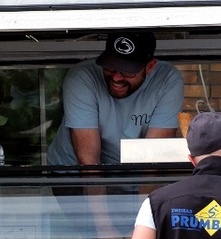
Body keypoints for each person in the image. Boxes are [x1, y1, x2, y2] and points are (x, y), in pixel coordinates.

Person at [47, 31, 185, 166]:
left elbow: (153, 158)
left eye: (127, 71)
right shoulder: (81, 77)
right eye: (110, 67)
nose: (116, 78)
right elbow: (89, 165)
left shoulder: (167, 80)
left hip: (134, 170)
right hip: (73, 169)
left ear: (149, 67)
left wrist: (148, 190)